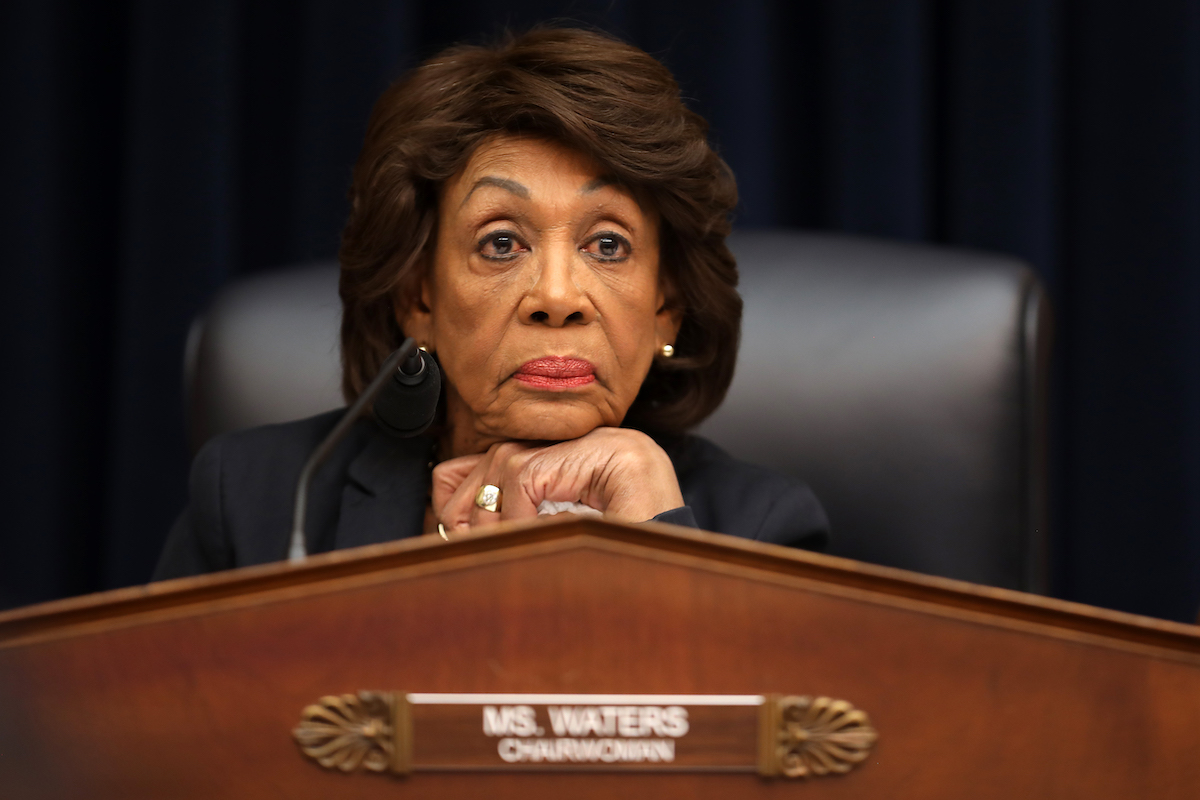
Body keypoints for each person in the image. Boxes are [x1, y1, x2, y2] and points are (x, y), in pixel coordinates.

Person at [154, 27, 827, 579]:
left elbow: (768, 742)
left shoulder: (762, 533)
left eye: (609, 245)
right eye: (501, 243)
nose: (557, 298)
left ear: (666, 311)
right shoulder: (253, 505)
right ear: (419, 299)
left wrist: (661, 543)